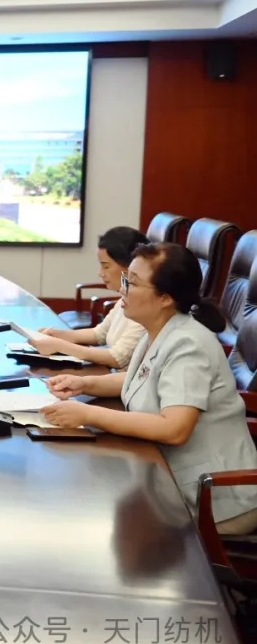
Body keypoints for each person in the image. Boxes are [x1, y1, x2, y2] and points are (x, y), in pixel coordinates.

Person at [41, 243, 257, 534]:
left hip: (214, 497)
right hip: (168, 478)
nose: (122, 289)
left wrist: (88, 415)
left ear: (165, 297)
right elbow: (145, 378)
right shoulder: (159, 330)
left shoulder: (189, 344)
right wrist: (84, 383)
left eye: (132, 282)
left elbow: (174, 428)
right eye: (125, 279)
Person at [34, 226, 149, 369]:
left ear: (130, 266)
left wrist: (61, 346)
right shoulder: (125, 297)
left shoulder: (144, 308)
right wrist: (58, 334)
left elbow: (117, 358)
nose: (100, 273)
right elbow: (99, 334)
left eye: (106, 266)